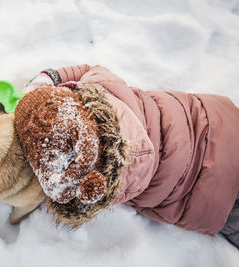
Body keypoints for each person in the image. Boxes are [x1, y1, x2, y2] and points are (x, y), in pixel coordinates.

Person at [15, 64, 239, 248]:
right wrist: (50, 77)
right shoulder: (102, 86)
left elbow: (73, 198)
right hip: (218, 122)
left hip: (215, 198)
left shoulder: (99, 183)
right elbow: (87, 68)